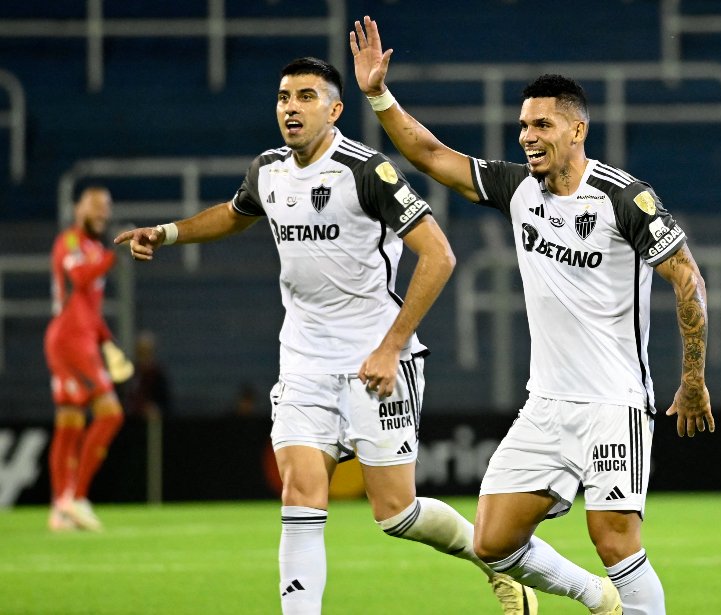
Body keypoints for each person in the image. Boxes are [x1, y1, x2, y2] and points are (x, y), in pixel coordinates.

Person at [115, 57, 536, 615]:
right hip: (303, 364)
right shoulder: (267, 171)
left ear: (335, 110)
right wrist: (167, 233)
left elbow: (440, 255)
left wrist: (390, 347)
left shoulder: (368, 171)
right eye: (284, 96)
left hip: (376, 364)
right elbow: (236, 214)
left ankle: (496, 563)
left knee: (396, 514)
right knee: (299, 498)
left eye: (306, 97)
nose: (291, 106)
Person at [351, 17, 715, 615]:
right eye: (522, 125)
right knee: (493, 541)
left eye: (541, 124)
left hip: (610, 401)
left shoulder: (623, 198)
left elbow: (688, 279)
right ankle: (595, 599)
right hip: (545, 402)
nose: (526, 135)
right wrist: (377, 95)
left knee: (614, 541)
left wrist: (693, 379)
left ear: (577, 129)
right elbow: (428, 153)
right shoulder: (519, 189)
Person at [46, 186, 132, 532]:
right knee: (110, 413)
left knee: (69, 422)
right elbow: (79, 278)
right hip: (69, 340)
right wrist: (114, 256)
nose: (102, 214)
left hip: (80, 339)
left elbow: (90, 311)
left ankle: (60, 507)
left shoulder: (94, 249)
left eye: (106, 209)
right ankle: (77, 497)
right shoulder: (69, 242)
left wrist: (109, 344)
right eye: (95, 208)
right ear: (78, 209)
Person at [124, 330, 171, 420]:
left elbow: (165, 404)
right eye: (141, 352)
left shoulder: (158, 374)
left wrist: (155, 409)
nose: (144, 356)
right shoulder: (129, 373)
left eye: (147, 352)